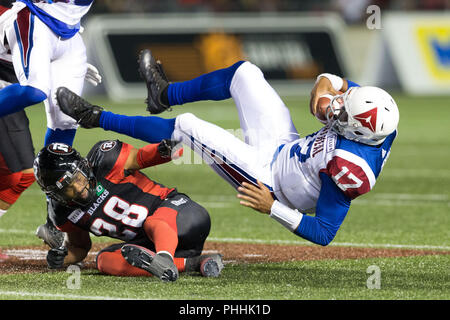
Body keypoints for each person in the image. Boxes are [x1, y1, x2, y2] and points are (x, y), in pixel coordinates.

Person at [55, 49, 400, 247]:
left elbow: (325, 233)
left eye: (342, 111)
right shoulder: (376, 117)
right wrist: (326, 85)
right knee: (245, 73)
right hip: (287, 149)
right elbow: (334, 84)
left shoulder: (352, 168)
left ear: (357, 134)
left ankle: (94, 116)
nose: (336, 108)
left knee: (187, 127)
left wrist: (272, 207)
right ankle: (162, 94)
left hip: (273, 183)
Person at [33, 140, 224, 281]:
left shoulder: (105, 159)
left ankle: (165, 259)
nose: (77, 189)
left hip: (183, 216)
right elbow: (80, 248)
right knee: (104, 260)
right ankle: (192, 263)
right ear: (54, 194)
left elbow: (142, 156)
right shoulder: (62, 212)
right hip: (150, 244)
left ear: (84, 167)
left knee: (153, 222)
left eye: (77, 178)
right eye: (66, 188)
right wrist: (61, 258)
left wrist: (163, 149)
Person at [0, 1, 101, 260]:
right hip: (34, 23)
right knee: (35, 88)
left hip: (65, 35)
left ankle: (52, 223)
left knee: (66, 122)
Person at [0, 0, 93, 146]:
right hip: (36, 18)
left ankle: (52, 168)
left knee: (66, 119)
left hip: (70, 32)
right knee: (34, 90)